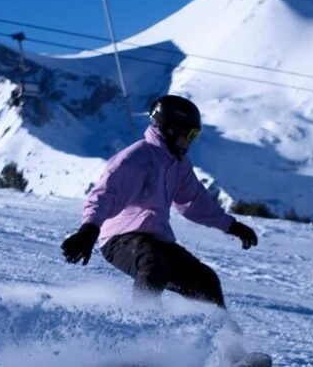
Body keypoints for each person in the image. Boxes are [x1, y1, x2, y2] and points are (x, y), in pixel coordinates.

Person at [61, 94, 259, 308]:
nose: (190, 142)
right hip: (119, 239)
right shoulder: (137, 158)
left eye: (195, 136)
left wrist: (231, 226)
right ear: (171, 129)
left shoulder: (178, 164)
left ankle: (223, 338)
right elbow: (106, 194)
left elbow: (194, 201)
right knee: (153, 263)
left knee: (205, 280)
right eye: (190, 135)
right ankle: (144, 325)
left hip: (156, 240)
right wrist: (89, 230)